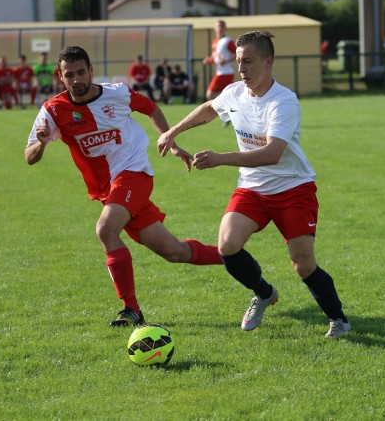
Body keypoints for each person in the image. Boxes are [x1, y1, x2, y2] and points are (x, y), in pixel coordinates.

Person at [158, 31, 351, 338]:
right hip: (253, 188)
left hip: (293, 189)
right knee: (227, 246)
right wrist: (173, 132)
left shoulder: (284, 101)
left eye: (248, 61)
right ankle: (263, 293)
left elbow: (273, 153)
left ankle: (339, 319)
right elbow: (209, 108)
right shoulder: (234, 93)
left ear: (268, 61)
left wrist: (221, 158)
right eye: (238, 62)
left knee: (302, 264)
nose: (241, 69)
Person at [24, 46, 223, 327]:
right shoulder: (53, 110)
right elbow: (29, 157)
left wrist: (171, 141)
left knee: (105, 229)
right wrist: (42, 144)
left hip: (134, 173)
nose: (77, 79)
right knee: (174, 251)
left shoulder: (117, 94)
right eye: (70, 75)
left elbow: (151, 108)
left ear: (91, 70)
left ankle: (132, 310)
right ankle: (233, 257)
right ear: (61, 76)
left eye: (82, 72)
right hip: (110, 191)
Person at [202, 20, 236, 101]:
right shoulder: (215, 41)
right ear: (215, 28)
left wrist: (226, 60)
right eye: (218, 26)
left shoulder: (228, 41)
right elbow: (215, 56)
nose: (219, 28)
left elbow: (236, 54)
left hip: (225, 73)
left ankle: (220, 109)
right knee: (228, 96)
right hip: (220, 72)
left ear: (225, 28)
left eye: (221, 26)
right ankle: (227, 110)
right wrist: (209, 60)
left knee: (209, 95)